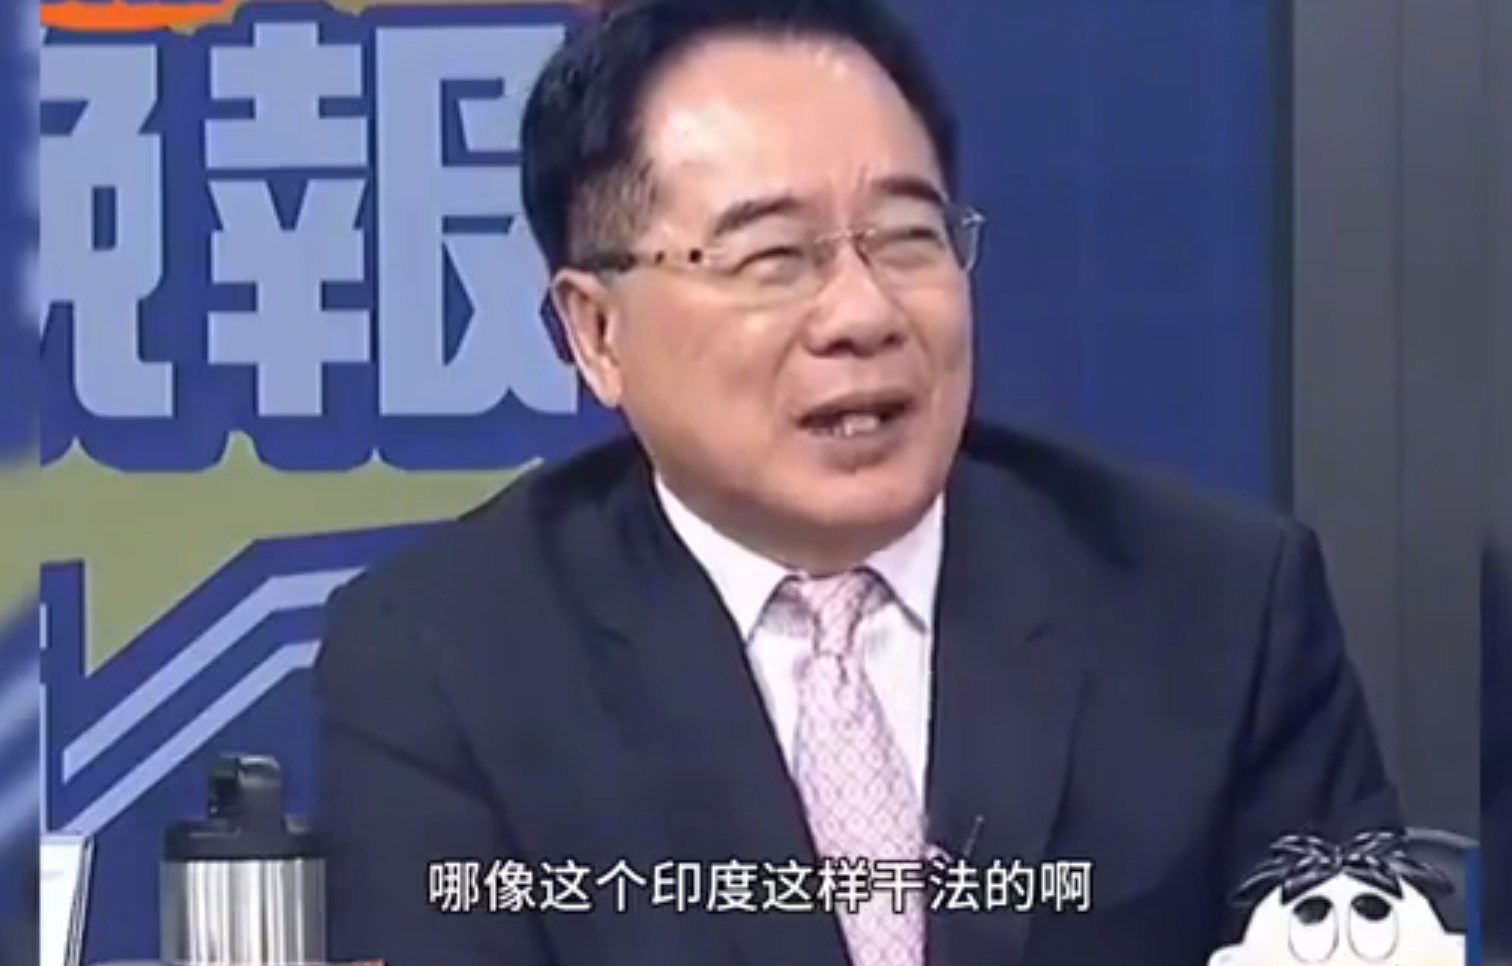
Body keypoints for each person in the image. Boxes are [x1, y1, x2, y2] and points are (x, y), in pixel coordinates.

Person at [314, 0, 1401, 963]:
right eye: (773, 257)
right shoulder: (445, 663)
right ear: (596, 332)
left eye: (908, 238)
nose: (863, 314)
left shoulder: (1215, 610)